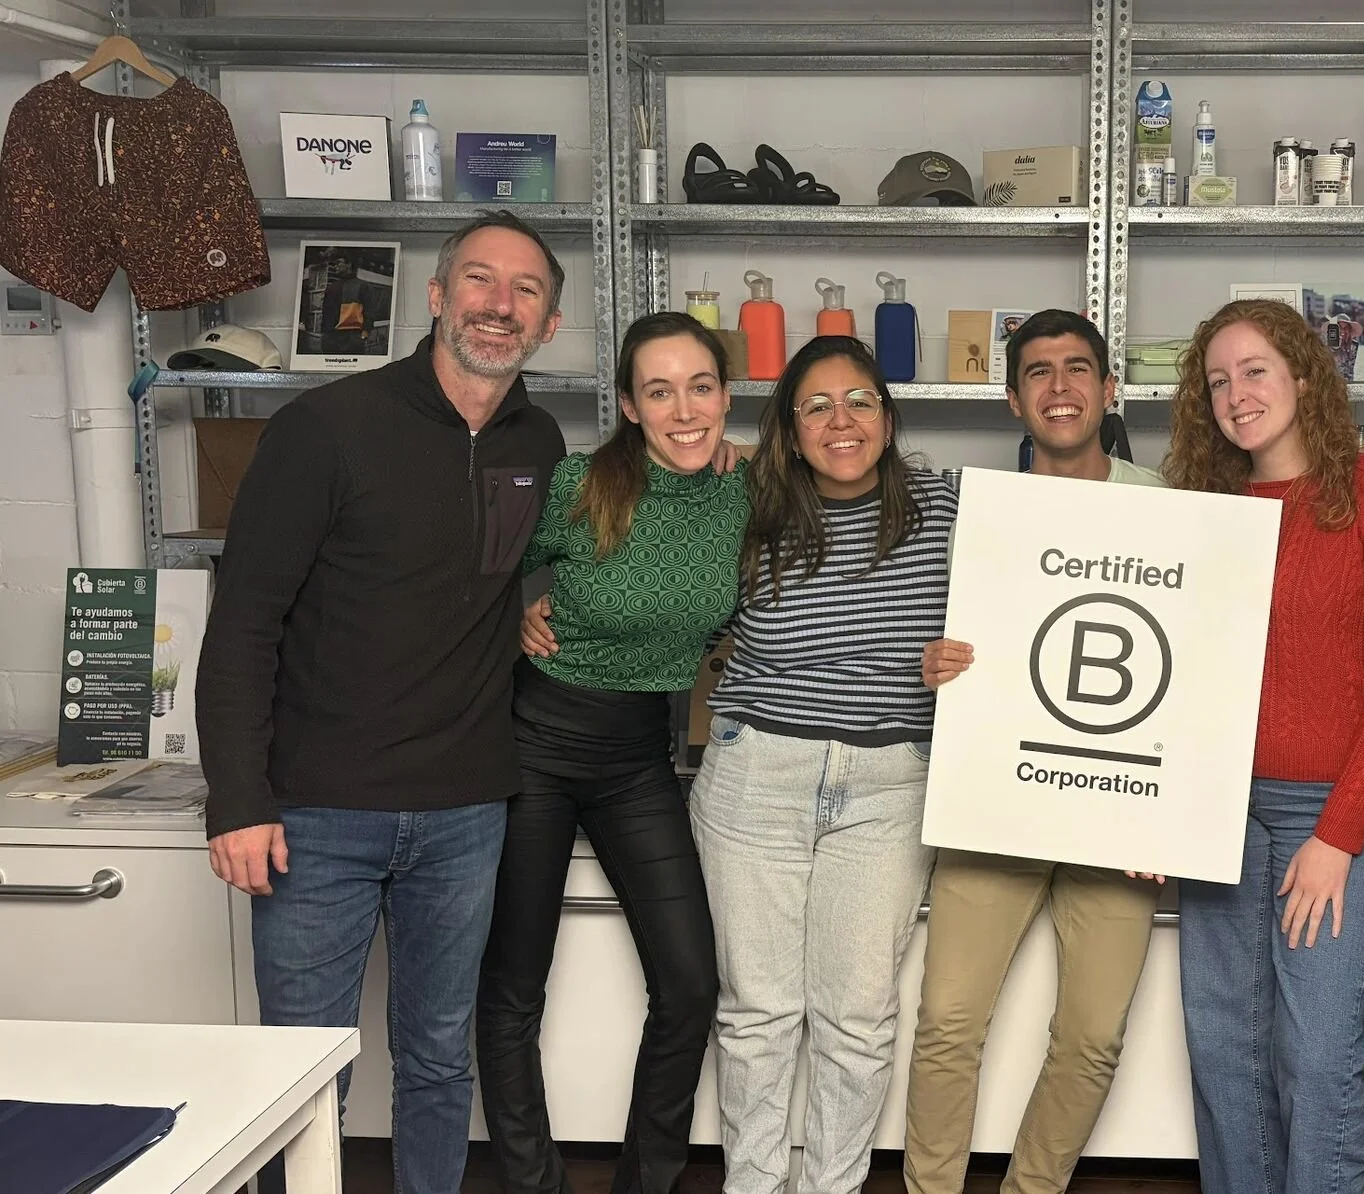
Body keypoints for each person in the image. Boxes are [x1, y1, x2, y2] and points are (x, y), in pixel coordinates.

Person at [195, 210, 567, 1193]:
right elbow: (243, 622)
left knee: (439, 1062)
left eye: (525, 289)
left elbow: (509, 568)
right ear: (438, 296)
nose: (499, 304)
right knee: (300, 1076)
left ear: (549, 324)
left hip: (465, 810)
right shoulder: (325, 429)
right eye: (479, 280)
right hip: (316, 813)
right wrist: (236, 798)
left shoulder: (538, 440)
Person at [1163, 298, 1364, 1194]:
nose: (1236, 395)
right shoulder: (1206, 512)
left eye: (1255, 371)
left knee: (1316, 1055)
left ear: (1305, 378)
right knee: (1224, 1047)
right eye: (1217, 382)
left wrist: (1337, 834)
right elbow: (1175, 673)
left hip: (1331, 810)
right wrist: (1157, 811)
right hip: (1219, 809)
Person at [476, 312, 744, 1194]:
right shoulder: (581, 484)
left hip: (638, 756)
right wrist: (514, 618)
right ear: (629, 405)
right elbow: (472, 571)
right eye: (659, 392)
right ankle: (533, 1184)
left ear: (726, 394)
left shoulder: (746, 491)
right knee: (514, 987)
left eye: (699, 388)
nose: (684, 411)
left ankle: (645, 1183)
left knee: (691, 985)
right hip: (535, 745)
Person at [903, 309, 1165, 1194]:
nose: (1061, 387)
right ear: (1013, 399)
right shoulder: (977, 513)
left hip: (1118, 815)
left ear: (1109, 389)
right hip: (999, 797)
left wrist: (1173, 813)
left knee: (1093, 1035)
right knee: (947, 1020)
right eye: (1040, 372)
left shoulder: (1172, 508)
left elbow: (1200, 668)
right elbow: (953, 641)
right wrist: (937, 663)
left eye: (1078, 368)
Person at [692, 335, 957, 1194]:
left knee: (857, 1019)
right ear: (790, 429)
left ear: (889, 415)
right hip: (757, 776)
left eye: (859, 401)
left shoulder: (947, 503)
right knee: (758, 1015)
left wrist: (969, 657)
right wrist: (545, 609)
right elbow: (661, 592)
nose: (841, 421)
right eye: (817, 407)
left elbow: (1045, 582)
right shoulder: (744, 508)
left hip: (892, 785)